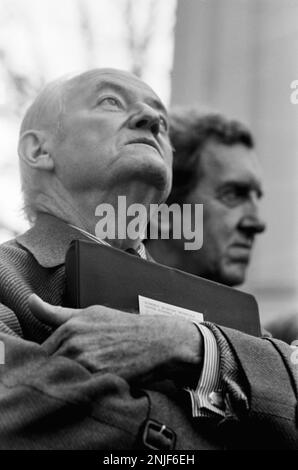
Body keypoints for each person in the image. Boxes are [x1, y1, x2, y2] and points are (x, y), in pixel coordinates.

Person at [0, 69, 297, 450]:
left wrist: (192, 344)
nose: (153, 119)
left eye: (163, 119)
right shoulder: (8, 276)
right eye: (110, 101)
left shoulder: (223, 314)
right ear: (39, 150)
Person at [147, 108, 266, 286]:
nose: (257, 224)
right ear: (162, 212)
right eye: (233, 194)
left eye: (256, 197)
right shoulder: (97, 305)